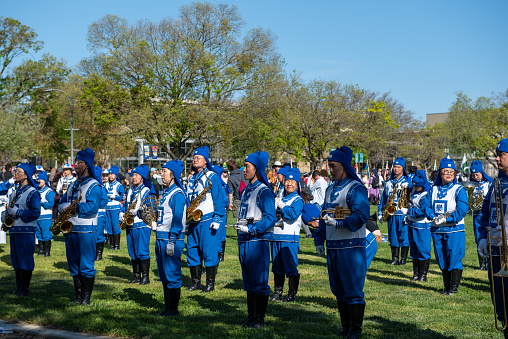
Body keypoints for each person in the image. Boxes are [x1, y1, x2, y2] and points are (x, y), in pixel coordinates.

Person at [313, 146, 369, 339]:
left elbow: (362, 216)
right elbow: (324, 215)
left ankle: (355, 330)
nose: (330, 169)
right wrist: (319, 238)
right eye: (329, 165)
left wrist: (340, 223)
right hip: (334, 247)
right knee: (338, 290)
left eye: (334, 166)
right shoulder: (330, 188)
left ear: (344, 166)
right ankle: (345, 327)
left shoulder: (356, 188)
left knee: (352, 289)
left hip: (351, 247)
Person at [234, 151, 275, 328]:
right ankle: (251, 317)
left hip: (257, 242)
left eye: (247, 166)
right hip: (244, 241)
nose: (244, 169)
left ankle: (259, 319)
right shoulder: (247, 189)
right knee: (249, 282)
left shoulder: (264, 191)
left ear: (256, 169)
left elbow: (270, 217)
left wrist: (251, 228)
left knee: (259, 282)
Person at [59, 149, 102, 305]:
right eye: (76, 162)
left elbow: (92, 207)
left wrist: (73, 207)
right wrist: (62, 207)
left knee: (86, 265)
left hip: (85, 230)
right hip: (71, 229)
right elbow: (62, 201)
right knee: (73, 265)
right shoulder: (72, 185)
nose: (75, 165)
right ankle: (78, 297)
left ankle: (86, 299)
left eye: (79, 163)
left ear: (88, 165)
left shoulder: (94, 185)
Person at [425, 158, 468, 295]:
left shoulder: (459, 189)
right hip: (437, 230)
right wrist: (432, 215)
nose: (448, 174)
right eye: (445, 172)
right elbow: (426, 206)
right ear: (440, 174)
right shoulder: (433, 189)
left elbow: (462, 210)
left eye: (451, 172)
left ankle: (453, 288)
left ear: (455, 174)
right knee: (441, 257)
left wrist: (446, 220)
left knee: (454, 256)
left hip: (454, 230)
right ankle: (446, 286)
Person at [478, 139, 508, 335]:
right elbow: (485, 214)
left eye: (501, 154)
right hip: (497, 249)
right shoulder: (497, 182)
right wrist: (482, 237)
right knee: (501, 304)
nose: (496, 158)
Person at [186, 146, 226, 293]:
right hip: (193, 220)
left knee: (209, 251)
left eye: (198, 158)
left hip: (207, 219)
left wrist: (217, 217)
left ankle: (210, 283)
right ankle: (195, 282)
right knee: (192, 250)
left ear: (205, 161)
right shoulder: (192, 178)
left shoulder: (212, 176)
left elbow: (219, 199)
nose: (194, 159)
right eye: (194, 157)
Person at [2, 163, 41, 296]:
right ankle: (19, 288)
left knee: (25, 261)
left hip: (26, 231)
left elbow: (35, 213)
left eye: (18, 172)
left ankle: (24, 289)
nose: (15, 174)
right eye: (15, 171)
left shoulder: (33, 192)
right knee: (16, 261)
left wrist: (17, 212)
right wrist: (6, 215)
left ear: (26, 175)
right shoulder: (15, 191)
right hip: (14, 230)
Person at [156, 160, 187, 317]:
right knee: (164, 275)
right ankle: (167, 307)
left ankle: (173, 310)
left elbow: (177, 219)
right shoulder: (166, 192)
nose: (161, 174)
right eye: (161, 171)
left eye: (164, 171)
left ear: (173, 175)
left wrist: (172, 240)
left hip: (170, 239)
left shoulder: (177, 194)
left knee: (172, 275)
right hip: (160, 238)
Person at [271, 167, 304, 303]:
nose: (289, 184)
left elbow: (292, 214)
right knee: (277, 266)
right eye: (287, 181)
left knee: (290, 266)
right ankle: (278, 293)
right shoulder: (280, 197)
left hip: (289, 238)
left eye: (292, 181)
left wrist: (281, 206)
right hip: (276, 236)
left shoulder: (297, 200)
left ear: (297, 184)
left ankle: (291, 294)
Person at [121, 164, 156, 285]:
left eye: (136, 175)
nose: (133, 178)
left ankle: (145, 277)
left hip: (142, 224)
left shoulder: (146, 190)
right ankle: (136, 276)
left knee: (142, 250)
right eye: (132, 175)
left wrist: (139, 211)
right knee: (133, 251)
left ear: (142, 177)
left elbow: (152, 209)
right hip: (131, 224)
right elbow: (127, 205)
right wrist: (122, 213)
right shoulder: (130, 190)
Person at [378, 157, 413, 265]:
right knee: (392, 236)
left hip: (403, 214)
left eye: (398, 167)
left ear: (403, 168)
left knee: (404, 236)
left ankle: (403, 259)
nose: (396, 169)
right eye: (395, 167)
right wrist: (380, 212)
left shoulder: (408, 182)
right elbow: (383, 199)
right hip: (391, 214)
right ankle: (394, 258)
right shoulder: (388, 182)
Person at [406, 170, 432, 281]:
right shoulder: (413, 190)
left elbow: (423, 211)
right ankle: (415, 273)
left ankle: (423, 275)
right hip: (411, 224)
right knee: (414, 250)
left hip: (422, 225)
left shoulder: (426, 194)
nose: (415, 189)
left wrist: (408, 212)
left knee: (423, 249)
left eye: (418, 187)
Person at [470, 160, 492, 270]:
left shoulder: (489, 184)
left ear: (482, 173)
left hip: (486, 215)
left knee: (488, 237)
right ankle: (482, 264)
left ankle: (490, 263)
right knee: (477, 238)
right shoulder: (472, 185)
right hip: (476, 215)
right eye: (473, 175)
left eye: (477, 175)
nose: (475, 177)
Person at [212, 165, 230, 263]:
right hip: (216, 212)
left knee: (220, 234)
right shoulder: (220, 183)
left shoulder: (219, 184)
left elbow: (225, 201)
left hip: (220, 213)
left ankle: (220, 255)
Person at [35, 171, 55, 257]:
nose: (38, 181)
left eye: (40, 180)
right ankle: (41, 250)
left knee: (46, 234)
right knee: (39, 234)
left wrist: (42, 203)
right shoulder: (37, 190)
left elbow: (51, 204)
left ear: (44, 181)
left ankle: (47, 252)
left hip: (46, 216)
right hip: (38, 216)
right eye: (37, 180)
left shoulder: (49, 191)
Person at [105, 165, 125, 250]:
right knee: (109, 226)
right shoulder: (105, 185)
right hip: (107, 208)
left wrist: (114, 197)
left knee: (115, 226)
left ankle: (117, 245)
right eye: (109, 174)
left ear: (116, 175)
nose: (110, 176)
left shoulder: (119, 185)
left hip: (115, 208)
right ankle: (111, 244)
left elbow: (123, 197)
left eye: (112, 174)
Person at [94, 166, 109, 261]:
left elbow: (104, 200)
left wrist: (95, 206)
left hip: (99, 213)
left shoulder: (101, 187)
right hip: (91, 214)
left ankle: (98, 255)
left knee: (99, 233)